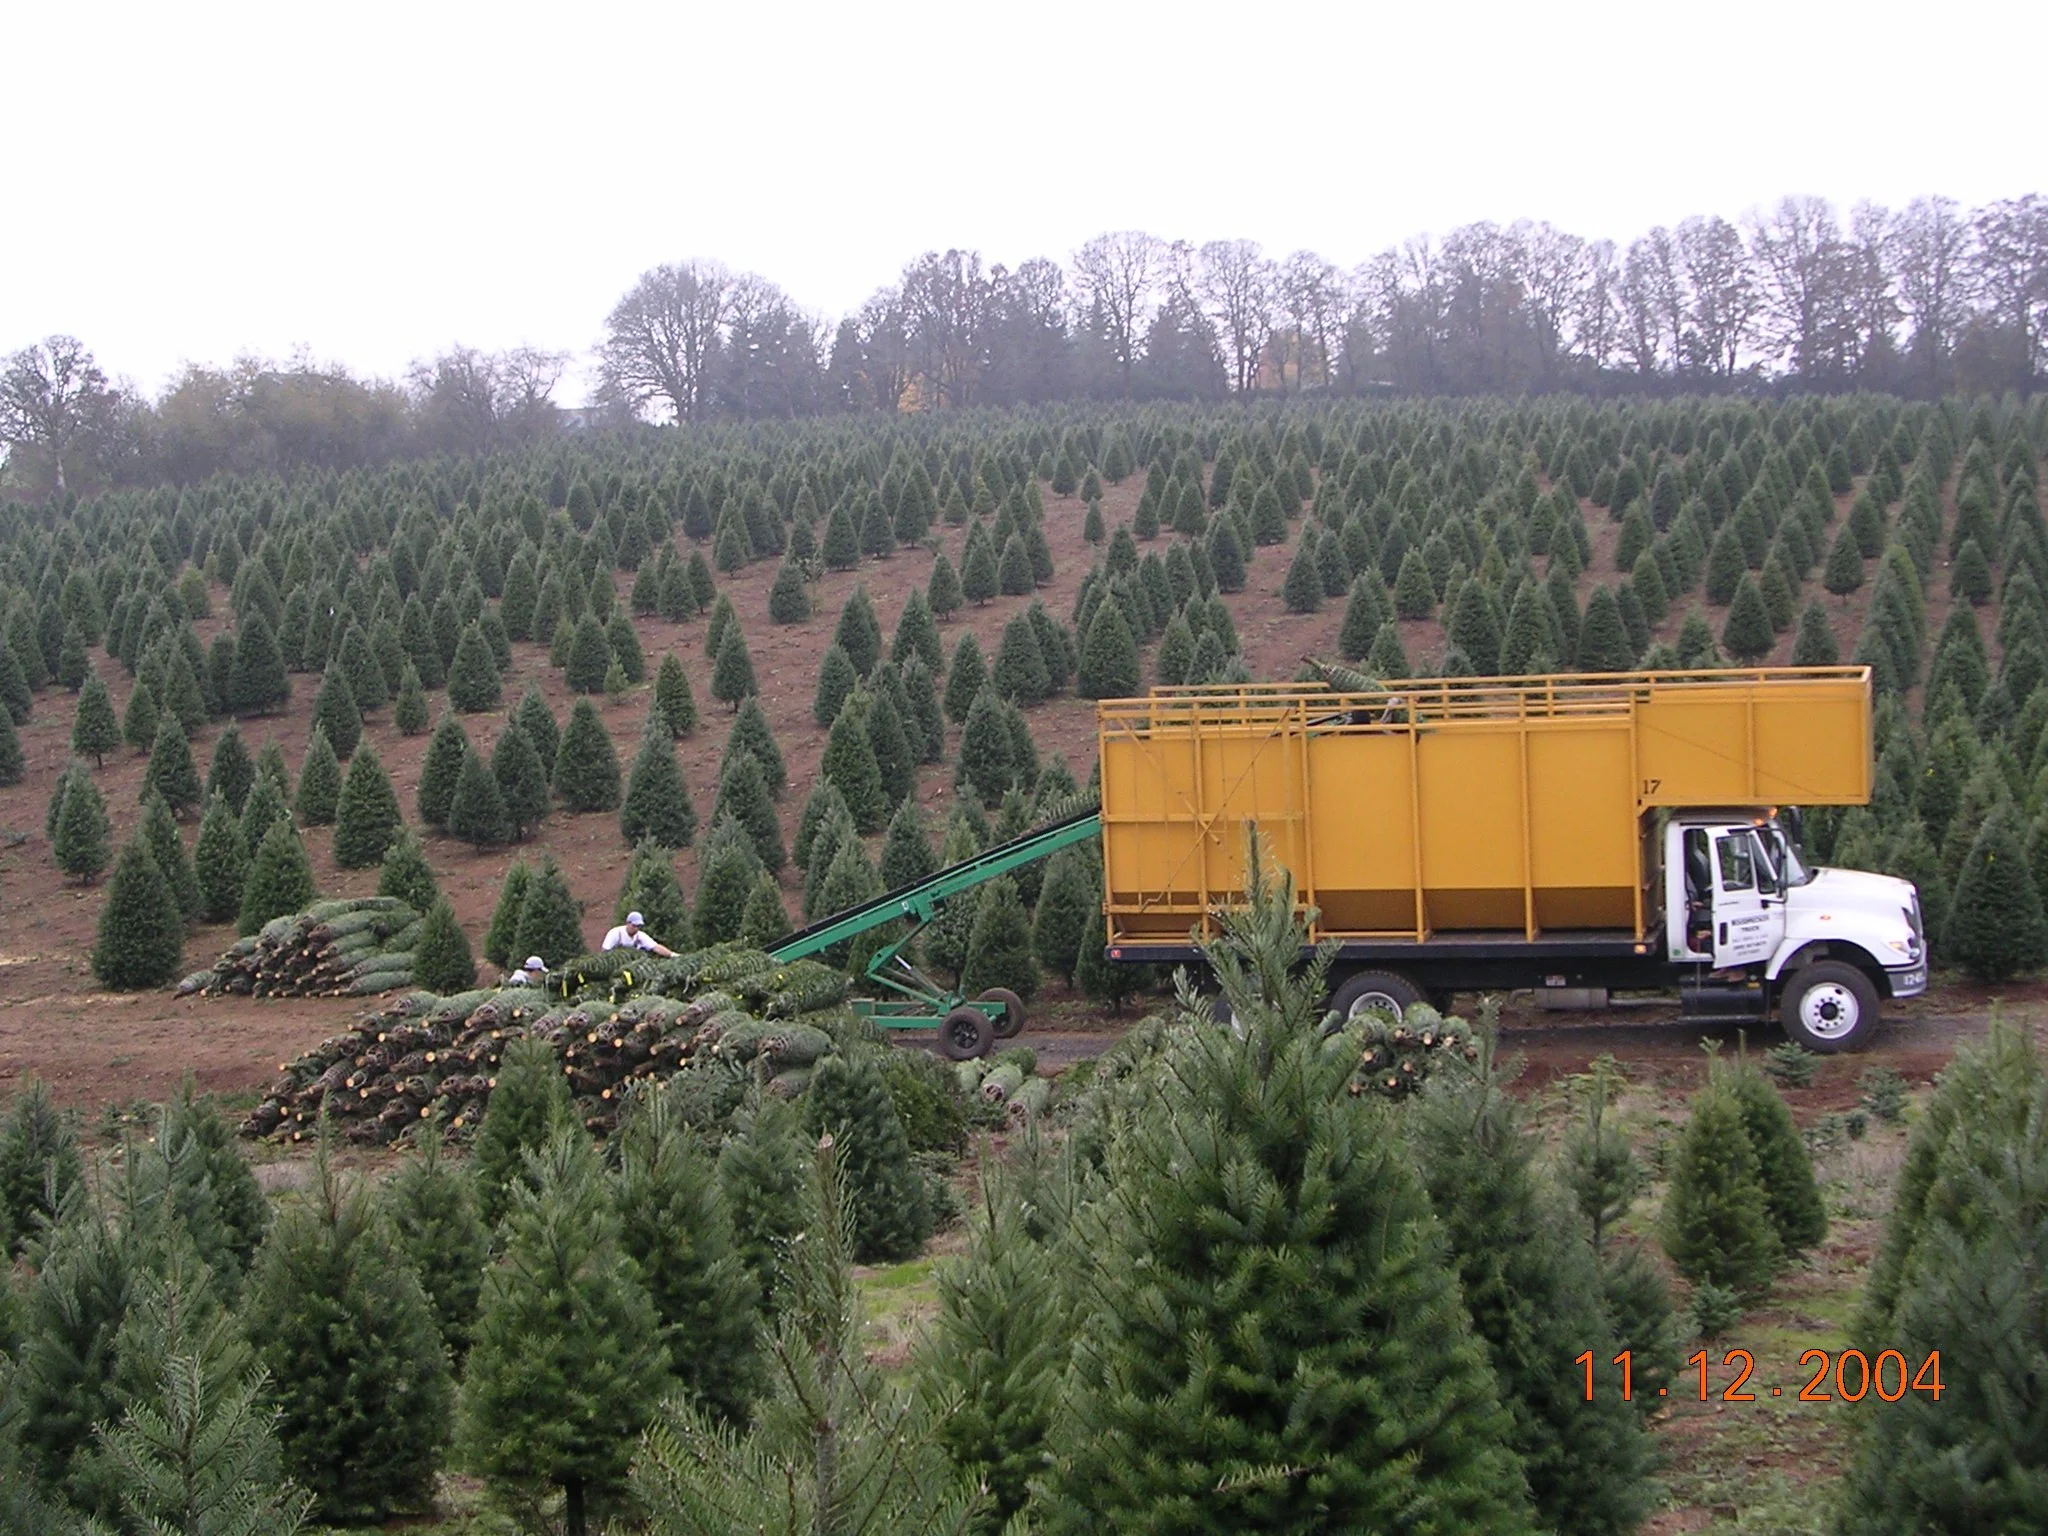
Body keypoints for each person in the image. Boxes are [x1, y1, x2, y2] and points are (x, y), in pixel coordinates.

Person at [600, 910, 676, 958]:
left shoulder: (639, 936)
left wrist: (672, 955)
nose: (636, 928)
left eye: (638, 926)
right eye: (634, 926)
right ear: (628, 923)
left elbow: (656, 947)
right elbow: (605, 951)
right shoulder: (615, 933)